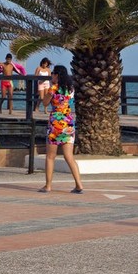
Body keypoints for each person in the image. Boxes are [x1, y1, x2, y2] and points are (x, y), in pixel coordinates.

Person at [39, 64, 85, 194]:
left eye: (53, 73)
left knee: (50, 156)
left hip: (55, 123)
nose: (51, 75)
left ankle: (48, 186)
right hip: (68, 122)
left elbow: (45, 103)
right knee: (69, 156)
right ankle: (79, 185)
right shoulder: (70, 89)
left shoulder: (52, 89)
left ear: (57, 75)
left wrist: (48, 91)